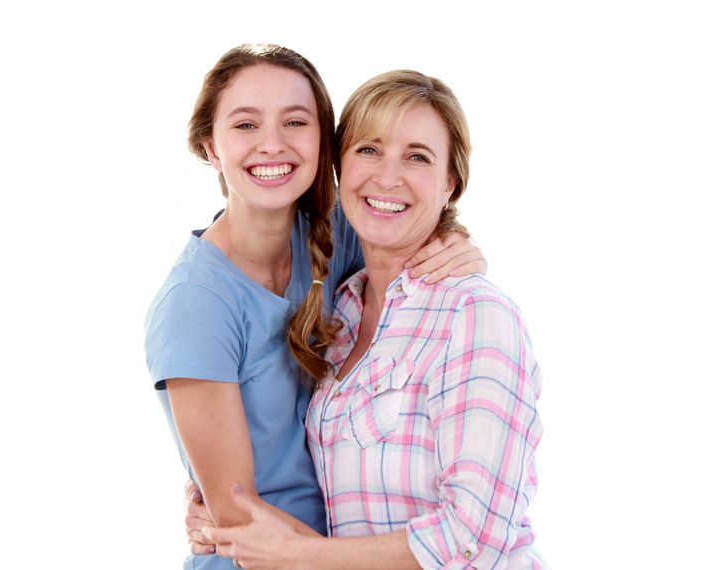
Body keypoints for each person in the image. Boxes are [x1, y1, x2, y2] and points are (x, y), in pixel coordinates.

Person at [144, 45, 487, 569]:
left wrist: (459, 245)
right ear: (210, 147)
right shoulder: (195, 304)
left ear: (324, 142)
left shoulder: (339, 233)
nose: (272, 144)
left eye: (295, 122)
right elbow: (237, 517)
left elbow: (413, 219)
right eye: (245, 125)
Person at [196, 70, 549, 569]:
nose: (387, 177)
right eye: (368, 150)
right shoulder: (338, 313)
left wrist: (301, 557)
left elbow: (475, 538)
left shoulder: (473, 316)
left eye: (417, 157)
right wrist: (213, 508)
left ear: (450, 182)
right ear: (338, 166)